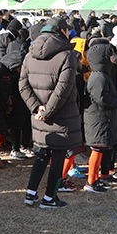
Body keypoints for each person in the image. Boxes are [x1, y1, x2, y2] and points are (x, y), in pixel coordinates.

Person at [18, 17, 82, 209]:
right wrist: (47, 111)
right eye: (67, 30)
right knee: (58, 156)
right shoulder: (67, 55)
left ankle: (30, 193)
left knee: (41, 153)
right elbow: (63, 90)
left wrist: (36, 107)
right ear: (62, 31)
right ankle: (49, 198)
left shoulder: (30, 54)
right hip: (59, 116)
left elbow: (22, 85)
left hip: (38, 116)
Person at [83, 42, 117, 193]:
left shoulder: (102, 75)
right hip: (98, 119)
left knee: (100, 150)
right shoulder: (98, 77)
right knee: (97, 150)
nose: (112, 59)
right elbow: (102, 99)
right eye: (109, 56)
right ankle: (91, 181)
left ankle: (96, 179)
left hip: (102, 119)